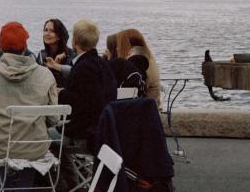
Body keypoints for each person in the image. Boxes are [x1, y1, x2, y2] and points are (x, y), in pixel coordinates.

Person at [0, 22, 61, 192]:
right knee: (29, 140)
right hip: (34, 145)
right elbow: (54, 119)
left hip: (0, 144)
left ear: (0, 46)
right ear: (25, 46)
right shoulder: (45, 75)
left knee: (0, 137)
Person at [58, 19, 116, 152]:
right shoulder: (102, 64)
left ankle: (65, 171)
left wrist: (60, 93)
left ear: (74, 41)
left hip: (86, 134)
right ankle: (70, 171)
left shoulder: (84, 68)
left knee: (45, 136)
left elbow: (81, 105)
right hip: (103, 130)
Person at [112, 28, 161, 106]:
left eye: (118, 45)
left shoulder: (138, 66)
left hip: (144, 109)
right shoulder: (147, 60)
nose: (117, 48)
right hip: (150, 106)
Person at [38, 19, 76, 86]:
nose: (47, 34)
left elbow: (74, 78)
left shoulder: (71, 55)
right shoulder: (41, 55)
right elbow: (39, 80)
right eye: (45, 30)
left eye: (52, 31)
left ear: (59, 36)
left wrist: (57, 66)